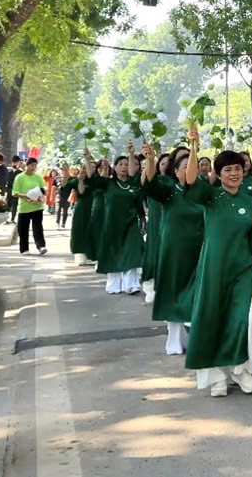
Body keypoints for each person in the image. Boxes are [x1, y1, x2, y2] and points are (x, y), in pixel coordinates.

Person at [184, 132, 252, 397]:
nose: (234, 173)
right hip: (213, 270)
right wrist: (194, 146)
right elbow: (189, 179)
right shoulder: (211, 197)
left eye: (237, 169)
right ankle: (217, 376)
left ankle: (240, 369)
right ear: (219, 174)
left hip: (242, 270)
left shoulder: (250, 203)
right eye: (227, 170)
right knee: (213, 319)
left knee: (245, 322)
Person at [141, 143, 204, 355]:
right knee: (173, 293)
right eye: (185, 166)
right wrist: (150, 159)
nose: (189, 170)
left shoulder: (204, 192)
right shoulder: (168, 190)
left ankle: (198, 338)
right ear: (175, 172)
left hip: (199, 250)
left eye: (192, 165)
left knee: (197, 293)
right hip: (174, 252)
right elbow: (149, 182)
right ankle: (174, 338)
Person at [86, 146, 144, 295]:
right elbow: (92, 179)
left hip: (131, 223)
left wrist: (131, 153)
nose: (124, 167)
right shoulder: (108, 183)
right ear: (115, 167)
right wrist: (87, 160)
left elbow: (139, 203)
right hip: (112, 224)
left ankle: (131, 284)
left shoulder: (134, 183)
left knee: (132, 251)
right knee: (113, 252)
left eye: (126, 164)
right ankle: (114, 284)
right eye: (120, 164)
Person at [141, 152, 171, 300]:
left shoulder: (176, 183)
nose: (166, 166)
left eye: (169, 163)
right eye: (163, 163)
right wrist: (150, 160)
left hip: (171, 225)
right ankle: (151, 283)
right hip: (155, 222)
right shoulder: (156, 182)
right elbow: (145, 181)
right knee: (154, 251)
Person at [60, 161, 95, 265]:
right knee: (79, 231)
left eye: (93, 167)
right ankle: (80, 255)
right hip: (82, 208)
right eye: (87, 166)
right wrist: (66, 173)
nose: (90, 168)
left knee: (94, 231)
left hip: (96, 208)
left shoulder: (98, 181)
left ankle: (93, 255)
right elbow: (65, 188)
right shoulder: (76, 180)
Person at [11, 158, 48, 255]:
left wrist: (40, 197)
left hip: (37, 207)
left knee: (38, 228)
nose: (34, 168)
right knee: (23, 229)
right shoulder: (19, 178)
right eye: (32, 165)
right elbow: (15, 193)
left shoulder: (38, 177)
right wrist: (27, 195)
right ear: (27, 165)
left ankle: (41, 246)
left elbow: (43, 189)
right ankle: (24, 249)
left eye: (35, 166)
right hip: (24, 207)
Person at [4, 156, 23, 224]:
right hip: (10, 190)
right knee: (9, 205)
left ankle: (12, 218)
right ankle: (8, 219)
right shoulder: (9, 170)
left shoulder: (20, 172)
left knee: (14, 205)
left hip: (15, 190)